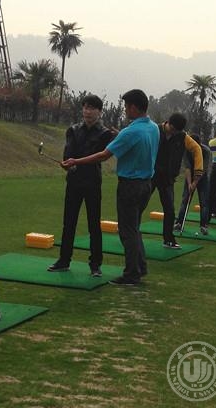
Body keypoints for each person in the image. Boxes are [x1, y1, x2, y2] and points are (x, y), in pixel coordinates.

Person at [62, 89, 159, 286]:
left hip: (130, 185)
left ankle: (131, 274)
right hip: (146, 185)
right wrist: (120, 135)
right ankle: (140, 267)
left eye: (126, 107)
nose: (125, 110)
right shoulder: (153, 127)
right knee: (134, 227)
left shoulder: (130, 132)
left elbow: (103, 155)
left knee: (127, 231)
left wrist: (76, 161)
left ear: (133, 107)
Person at [47, 95, 116, 277]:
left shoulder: (105, 134)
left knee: (94, 224)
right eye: (85, 107)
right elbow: (68, 153)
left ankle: (95, 264)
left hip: (92, 182)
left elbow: (99, 156)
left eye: (91, 108)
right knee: (68, 222)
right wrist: (66, 164)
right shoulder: (73, 130)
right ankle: (64, 260)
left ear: (99, 112)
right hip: (74, 181)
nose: (87, 111)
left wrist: (76, 161)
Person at [151, 113, 203, 249]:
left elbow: (197, 149)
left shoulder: (182, 136)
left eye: (177, 131)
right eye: (173, 129)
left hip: (167, 178)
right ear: (168, 123)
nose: (174, 133)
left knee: (170, 210)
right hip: (150, 174)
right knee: (139, 205)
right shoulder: (155, 130)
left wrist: (197, 173)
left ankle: (168, 239)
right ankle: (129, 233)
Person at [174, 134, 211, 235]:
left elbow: (203, 169)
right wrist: (190, 183)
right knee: (185, 200)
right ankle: (179, 223)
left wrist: (195, 183)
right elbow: (187, 168)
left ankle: (204, 226)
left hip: (202, 177)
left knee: (204, 202)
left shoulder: (206, 151)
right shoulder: (186, 150)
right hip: (190, 176)